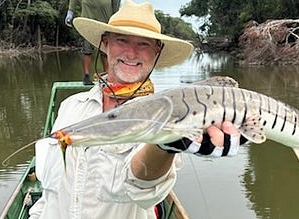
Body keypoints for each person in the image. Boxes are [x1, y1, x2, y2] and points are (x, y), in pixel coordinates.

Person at [29, 1, 244, 218]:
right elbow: (48, 194)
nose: (131, 53)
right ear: (106, 44)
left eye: (144, 44)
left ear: (156, 52)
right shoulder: (70, 107)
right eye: (121, 40)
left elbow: (144, 187)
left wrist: (165, 145)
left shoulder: (165, 119)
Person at [65, 0, 121, 85]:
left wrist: (115, 21)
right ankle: (86, 76)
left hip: (105, 23)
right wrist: (70, 12)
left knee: (105, 52)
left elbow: (116, 5)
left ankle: (107, 75)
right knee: (87, 50)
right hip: (87, 22)